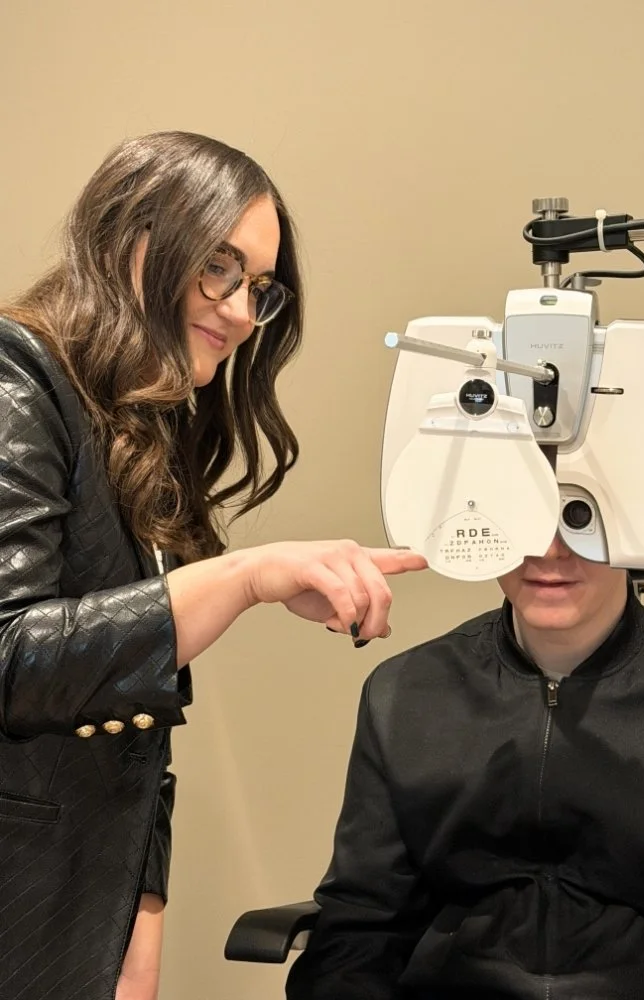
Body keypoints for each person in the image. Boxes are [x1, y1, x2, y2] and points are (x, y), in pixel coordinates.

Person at [0, 130, 427, 1000]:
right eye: (217, 269)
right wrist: (242, 578)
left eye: (258, 288)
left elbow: (137, 714)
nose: (239, 310)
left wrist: (141, 912)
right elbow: (10, 654)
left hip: (85, 904)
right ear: (132, 240)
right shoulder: (19, 373)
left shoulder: (140, 423)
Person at [286, 532, 644, 999]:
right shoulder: (408, 690)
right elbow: (365, 920)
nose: (549, 552)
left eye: (578, 519)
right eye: (526, 522)